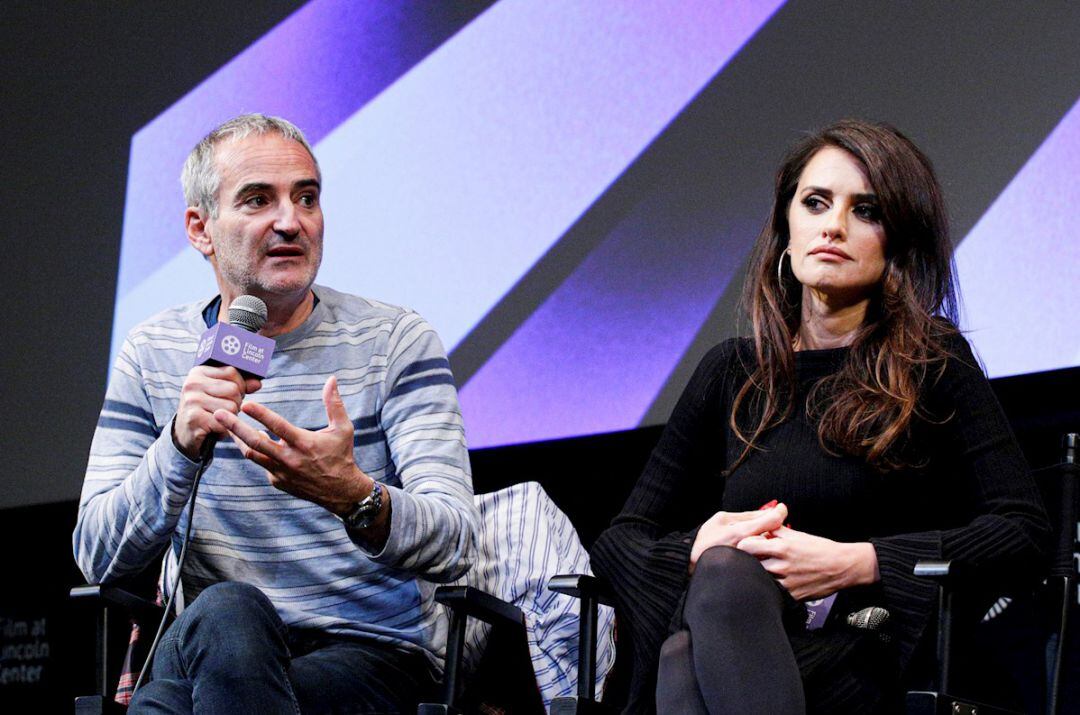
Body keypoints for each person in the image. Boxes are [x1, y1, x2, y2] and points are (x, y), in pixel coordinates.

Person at [590, 119, 1050, 714]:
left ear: (896, 245)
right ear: (787, 228)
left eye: (867, 211)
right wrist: (697, 545)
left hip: (868, 648)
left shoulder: (933, 362)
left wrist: (854, 562)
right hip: (738, 631)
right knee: (722, 579)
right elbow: (618, 542)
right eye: (815, 203)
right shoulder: (731, 373)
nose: (833, 225)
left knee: (682, 669)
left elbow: (1023, 530)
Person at [73, 114, 479, 713]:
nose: (290, 221)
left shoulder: (395, 341)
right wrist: (178, 447)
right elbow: (97, 554)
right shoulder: (153, 352)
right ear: (200, 228)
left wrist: (353, 497)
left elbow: (457, 540)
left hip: (363, 655)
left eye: (306, 198)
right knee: (229, 610)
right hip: (209, 643)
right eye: (258, 199)